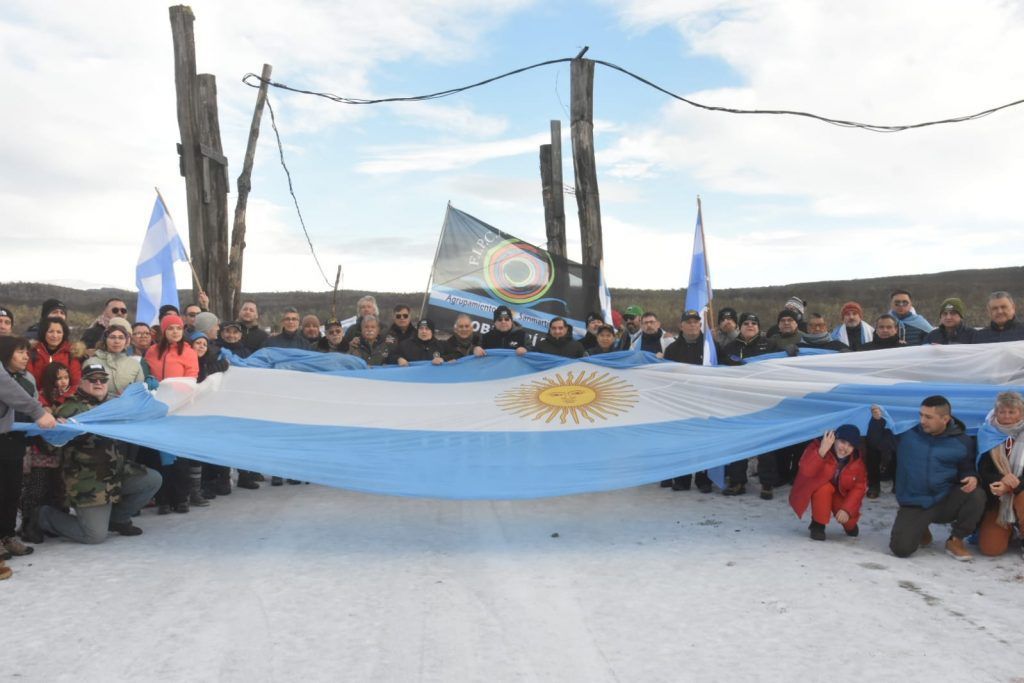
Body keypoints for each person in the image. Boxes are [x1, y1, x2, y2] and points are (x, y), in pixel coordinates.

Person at [26, 362, 162, 544]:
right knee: (94, 536)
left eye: (103, 379)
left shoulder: (116, 405)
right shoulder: (69, 409)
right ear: (81, 382)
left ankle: (118, 519)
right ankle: (44, 516)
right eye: (92, 380)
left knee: (152, 479)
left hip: (116, 471)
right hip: (87, 481)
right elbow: (50, 445)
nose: (98, 383)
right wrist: (62, 432)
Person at [869, 397, 986, 560]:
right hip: (914, 501)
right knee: (901, 549)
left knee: (977, 495)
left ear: (945, 419)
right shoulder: (906, 434)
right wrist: (877, 421)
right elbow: (877, 442)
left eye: (928, 417)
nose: (922, 420)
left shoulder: (962, 441)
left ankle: (956, 540)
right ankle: (921, 528)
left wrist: (971, 477)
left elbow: (966, 468)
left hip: (944, 499)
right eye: (921, 415)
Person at [143, 315, 199, 513]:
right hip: (158, 408)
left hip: (179, 408)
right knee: (160, 455)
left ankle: (181, 497)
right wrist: (150, 383)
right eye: (170, 328)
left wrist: (170, 387)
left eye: (178, 328)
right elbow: (147, 374)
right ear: (163, 331)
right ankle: (163, 498)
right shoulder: (152, 351)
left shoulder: (189, 352)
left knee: (179, 456)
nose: (175, 332)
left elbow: (192, 379)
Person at [661, 310, 715, 493]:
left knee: (703, 442)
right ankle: (682, 478)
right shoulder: (672, 349)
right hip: (680, 403)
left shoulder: (710, 347)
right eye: (688, 322)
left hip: (705, 401)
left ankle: (703, 478)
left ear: (700, 325)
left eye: (696, 322)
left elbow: (725, 366)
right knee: (682, 442)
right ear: (681, 326)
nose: (692, 325)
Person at [789, 425, 868, 541]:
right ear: (834, 439)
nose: (845, 448)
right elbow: (806, 470)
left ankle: (849, 525)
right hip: (822, 488)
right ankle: (818, 525)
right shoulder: (818, 446)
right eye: (842, 442)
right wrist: (821, 451)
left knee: (849, 523)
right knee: (823, 488)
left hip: (841, 494)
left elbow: (859, 487)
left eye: (850, 445)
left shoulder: (856, 461)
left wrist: (847, 509)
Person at [0, 336, 41, 559]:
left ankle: (7, 536)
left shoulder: (28, 379)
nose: (26, 356)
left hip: (16, 441)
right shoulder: (2, 377)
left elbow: (34, 404)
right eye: (20, 351)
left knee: (12, 492)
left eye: (27, 352)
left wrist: (48, 417)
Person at [977, 392, 1024, 557]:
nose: (1007, 416)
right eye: (1002, 412)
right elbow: (983, 468)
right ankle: (1010, 528)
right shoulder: (987, 433)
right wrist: (1001, 480)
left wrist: (1015, 484)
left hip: (1021, 490)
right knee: (991, 549)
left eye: (1012, 412)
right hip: (998, 497)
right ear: (996, 413)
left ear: (1021, 413)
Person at [27, 316, 82, 395]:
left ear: (64, 334)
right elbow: (29, 384)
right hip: (37, 400)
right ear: (44, 333)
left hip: (65, 401)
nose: (55, 336)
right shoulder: (32, 353)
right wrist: (43, 404)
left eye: (59, 332)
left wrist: (61, 401)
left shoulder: (71, 354)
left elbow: (76, 383)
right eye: (51, 331)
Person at [91, 318, 144, 396]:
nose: (117, 341)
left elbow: (140, 393)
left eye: (121, 337)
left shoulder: (134, 364)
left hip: (127, 406)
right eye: (112, 337)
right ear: (106, 339)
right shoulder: (92, 362)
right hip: (99, 406)